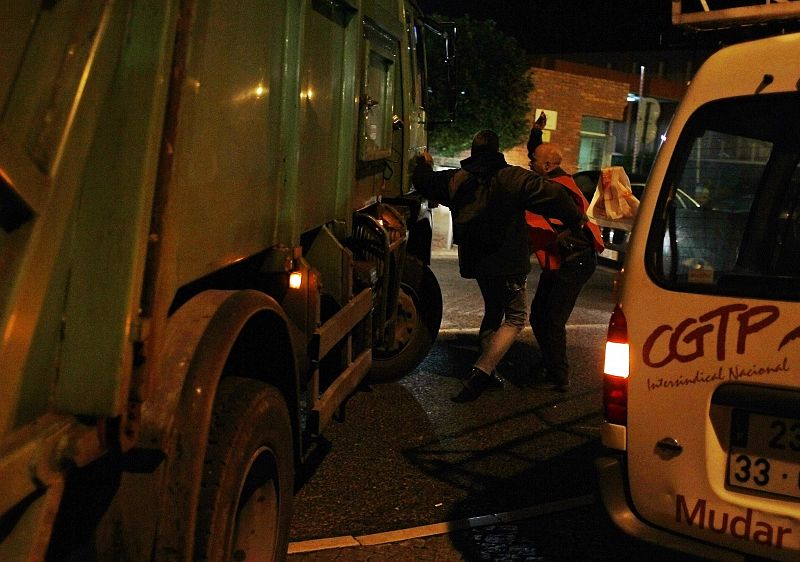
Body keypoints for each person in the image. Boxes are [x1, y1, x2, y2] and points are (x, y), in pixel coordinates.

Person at [412, 130, 585, 402]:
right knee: (515, 318)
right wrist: (576, 220)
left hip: (477, 264)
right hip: (509, 264)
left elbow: (423, 181)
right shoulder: (514, 178)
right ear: (497, 150)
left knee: (493, 311)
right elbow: (555, 196)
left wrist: (423, 163)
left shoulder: (457, 179)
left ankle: (489, 373)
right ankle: (481, 373)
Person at [526, 140, 604, 392]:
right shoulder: (558, 183)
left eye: (533, 159)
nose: (529, 162)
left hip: (574, 260)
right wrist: (536, 133)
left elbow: (570, 222)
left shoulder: (557, 189)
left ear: (547, 166)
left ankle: (559, 376)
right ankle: (551, 363)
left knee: (552, 319)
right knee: (540, 315)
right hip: (566, 259)